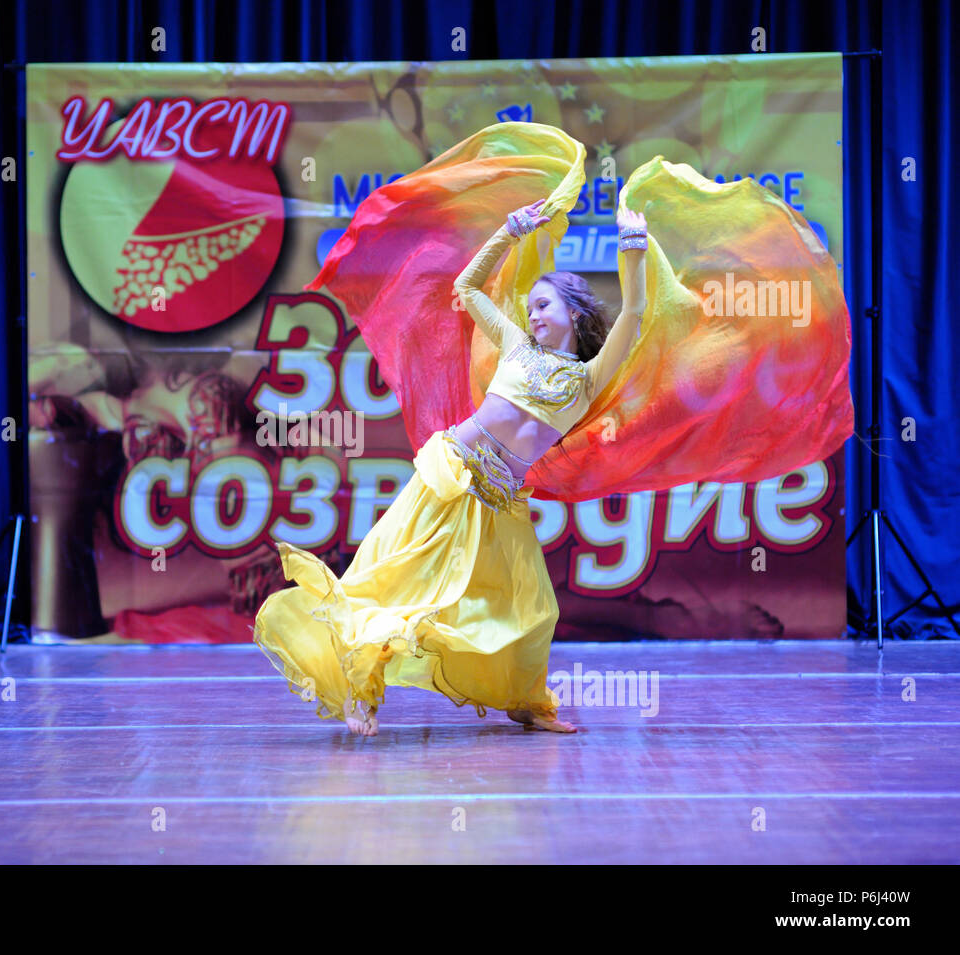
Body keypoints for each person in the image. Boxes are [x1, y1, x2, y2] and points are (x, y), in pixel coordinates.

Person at [252, 121, 853, 738]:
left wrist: (633, 248)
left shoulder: (589, 379)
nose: (532, 314)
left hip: (500, 499)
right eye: (531, 304)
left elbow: (640, 313)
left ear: (573, 311)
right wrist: (509, 234)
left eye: (544, 304)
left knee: (528, 612)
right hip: (451, 475)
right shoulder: (513, 346)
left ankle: (527, 704)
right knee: (391, 577)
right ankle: (362, 692)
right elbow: (464, 288)